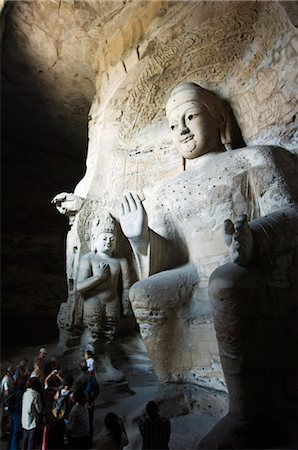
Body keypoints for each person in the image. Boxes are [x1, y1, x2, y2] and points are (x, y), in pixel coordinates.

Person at [119, 82, 298, 447]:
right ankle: (174, 382)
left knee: (225, 283)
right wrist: (140, 238)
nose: (181, 129)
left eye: (190, 115)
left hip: (248, 267)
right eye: (173, 124)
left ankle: (245, 411)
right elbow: (172, 256)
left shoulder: (256, 158)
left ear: (218, 118)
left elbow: (291, 213)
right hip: (195, 272)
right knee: (144, 293)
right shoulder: (168, 191)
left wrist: (255, 238)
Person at [77, 212, 131, 380]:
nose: (108, 242)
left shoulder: (121, 261)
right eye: (104, 238)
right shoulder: (89, 258)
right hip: (94, 301)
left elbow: (127, 286)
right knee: (93, 334)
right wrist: (98, 277)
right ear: (94, 239)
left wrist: (126, 303)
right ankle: (86, 366)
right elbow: (79, 286)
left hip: (112, 301)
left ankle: (107, 364)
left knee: (108, 335)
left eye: (111, 239)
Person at [21, 377, 43, 450]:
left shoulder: (25, 393)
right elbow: (39, 409)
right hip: (32, 419)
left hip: (24, 418)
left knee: (25, 438)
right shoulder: (36, 395)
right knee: (31, 439)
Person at [7, 375, 27, 450]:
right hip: (17, 413)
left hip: (12, 412)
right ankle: (13, 447)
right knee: (16, 432)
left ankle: (10, 447)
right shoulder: (21, 392)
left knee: (13, 431)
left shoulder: (14, 389)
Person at [0, 366, 16, 439]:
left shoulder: (9, 377)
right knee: (2, 418)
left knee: (4, 418)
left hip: (6, 401)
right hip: (5, 401)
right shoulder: (6, 379)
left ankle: (3, 433)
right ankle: (1, 434)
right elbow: (7, 391)